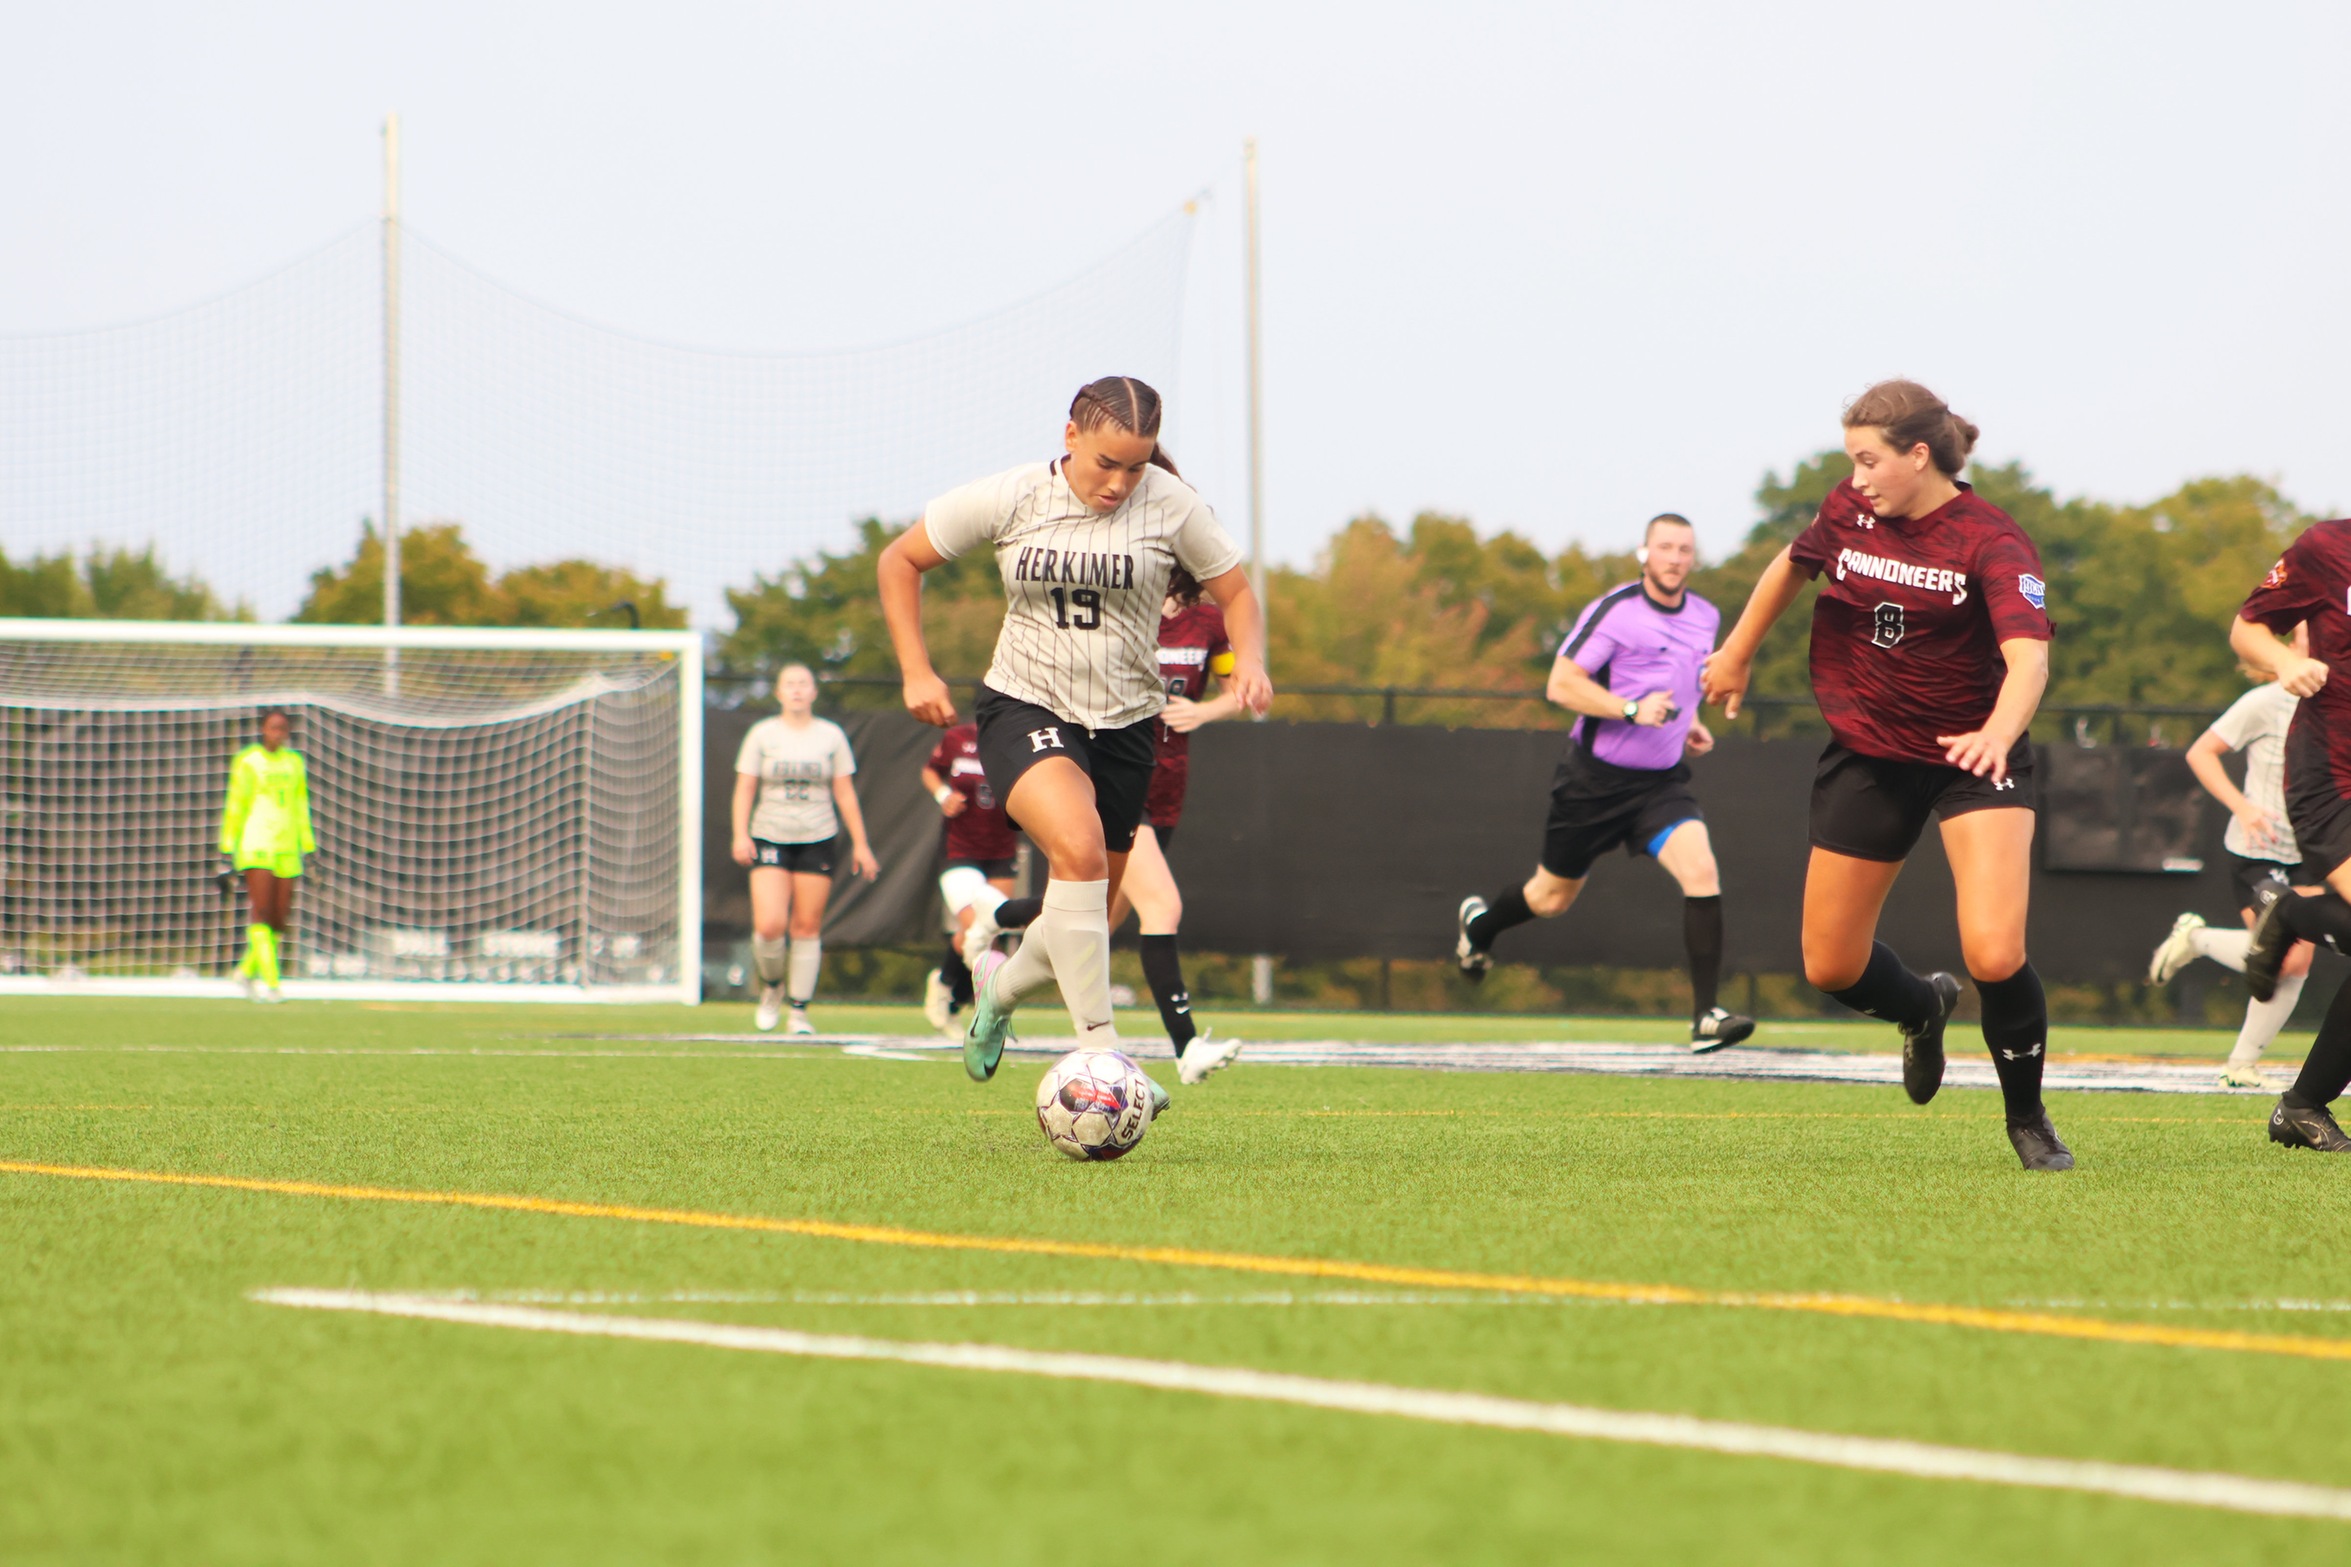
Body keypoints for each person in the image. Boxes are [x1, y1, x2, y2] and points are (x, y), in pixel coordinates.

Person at [1700, 380, 2071, 1172]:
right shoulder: (1847, 509)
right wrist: (1735, 651)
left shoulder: (1991, 540)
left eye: (1869, 460)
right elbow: (1789, 565)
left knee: (1995, 952)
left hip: (1975, 759)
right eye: (1850, 460)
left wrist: (1996, 734)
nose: (1857, 475)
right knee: (1829, 965)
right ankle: (1920, 1005)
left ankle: (2028, 1119)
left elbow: (2028, 659)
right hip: (1869, 750)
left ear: (1918, 454)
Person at [877, 375, 1271, 1087]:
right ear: (1069, 437)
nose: (1120, 482)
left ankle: (994, 990)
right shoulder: (1015, 496)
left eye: (1137, 465)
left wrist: (1252, 665)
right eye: (1105, 463)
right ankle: (1102, 1054)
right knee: (1080, 850)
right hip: (1025, 705)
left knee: (1084, 911)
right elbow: (898, 560)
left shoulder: (1172, 505)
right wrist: (916, 670)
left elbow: (1236, 592)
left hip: (1126, 726)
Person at [1454, 513, 1755, 1052]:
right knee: (1549, 899)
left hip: (1661, 786)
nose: (1675, 558)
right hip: (1592, 782)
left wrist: (1690, 725)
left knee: (1702, 870)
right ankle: (1480, 928)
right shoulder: (1617, 612)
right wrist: (1630, 708)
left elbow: (1681, 689)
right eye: (1665, 547)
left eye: (1685, 549)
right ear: (1645, 554)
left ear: (1694, 558)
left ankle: (1706, 1016)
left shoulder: (1706, 616)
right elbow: (1561, 684)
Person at [2145, 630, 2316, 1088]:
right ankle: (2197, 941)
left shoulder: (2338, 704)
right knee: (2288, 958)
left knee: (2293, 961)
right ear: (2288, 648)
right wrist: (2243, 807)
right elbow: (2202, 752)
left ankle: (2240, 1067)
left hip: (2320, 851)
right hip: (2260, 850)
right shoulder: (2266, 701)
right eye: (2307, 635)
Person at [2230, 530, 2351, 1152]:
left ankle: (2303, 1107)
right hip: (2332, 774)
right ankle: (2304, 1105)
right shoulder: (2327, 547)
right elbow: (2248, 627)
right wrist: (2286, 662)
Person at [1106, 567, 1245, 1084]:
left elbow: (1239, 691)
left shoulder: (1210, 623)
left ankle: (995, 925)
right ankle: (1187, 1049)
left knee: (1093, 921)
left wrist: (1205, 712)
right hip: (1120, 779)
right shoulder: (1120, 608)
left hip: (1168, 787)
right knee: (1164, 905)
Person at [730, 664, 878, 1034]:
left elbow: (844, 792)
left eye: (803, 684)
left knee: (806, 927)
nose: (796, 690)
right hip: (769, 834)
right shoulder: (762, 734)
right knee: (769, 926)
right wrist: (740, 834)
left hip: (818, 836)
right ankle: (771, 986)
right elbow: (745, 788)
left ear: (814, 692)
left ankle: (798, 1011)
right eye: (789, 684)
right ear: (778, 692)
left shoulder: (830, 736)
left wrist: (861, 843)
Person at [920, 719, 1020, 1036]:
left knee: (991, 935)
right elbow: (930, 771)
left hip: (1001, 851)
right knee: (976, 924)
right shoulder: (958, 737)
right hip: (960, 850)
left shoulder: (1021, 739)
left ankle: (951, 996)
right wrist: (943, 795)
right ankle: (951, 990)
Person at [218, 707, 314, 1003]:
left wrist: (308, 846)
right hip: (256, 843)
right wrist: (226, 848)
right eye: (272, 727)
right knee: (260, 913)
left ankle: (245, 972)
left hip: (287, 846)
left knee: (279, 920)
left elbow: (300, 805)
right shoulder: (248, 761)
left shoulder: (293, 763)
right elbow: (236, 804)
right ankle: (272, 985)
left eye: (283, 728)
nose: (277, 733)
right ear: (263, 729)